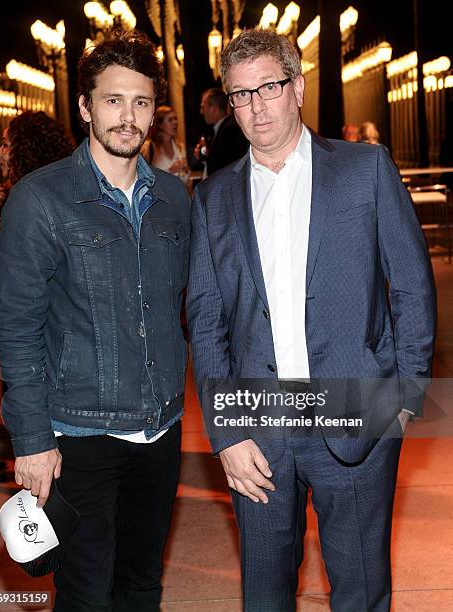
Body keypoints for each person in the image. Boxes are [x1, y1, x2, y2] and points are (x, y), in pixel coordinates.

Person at [186, 29, 435, 612]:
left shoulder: (365, 169)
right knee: (265, 594)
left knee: (360, 591)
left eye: (269, 87)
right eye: (241, 94)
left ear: (297, 88)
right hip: (257, 428)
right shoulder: (213, 199)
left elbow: (412, 289)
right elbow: (207, 323)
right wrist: (226, 433)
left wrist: (403, 398)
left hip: (356, 413)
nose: (256, 106)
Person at [0, 30, 190, 611]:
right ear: (84, 107)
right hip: (78, 437)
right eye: (112, 100)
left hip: (160, 431)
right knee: (85, 596)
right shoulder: (41, 199)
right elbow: (18, 328)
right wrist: (30, 440)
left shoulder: (174, 201)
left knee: (142, 585)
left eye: (141, 102)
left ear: (154, 110)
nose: (128, 117)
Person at [0, 111, 74, 485]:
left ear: (25, 148)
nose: (1, 152)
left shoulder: (31, 194)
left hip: (40, 332)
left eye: (6, 143)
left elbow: (20, 263)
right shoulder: (58, 188)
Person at [195, 87, 248, 176]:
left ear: (214, 109)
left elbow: (225, 167)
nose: (201, 112)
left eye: (203, 107)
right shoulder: (222, 129)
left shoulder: (230, 130)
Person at [142, 105, 190, 185]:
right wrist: (170, 171)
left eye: (175, 119)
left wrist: (185, 170)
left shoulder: (180, 147)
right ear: (160, 125)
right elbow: (143, 176)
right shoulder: (149, 147)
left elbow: (186, 176)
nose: (175, 122)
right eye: (170, 120)